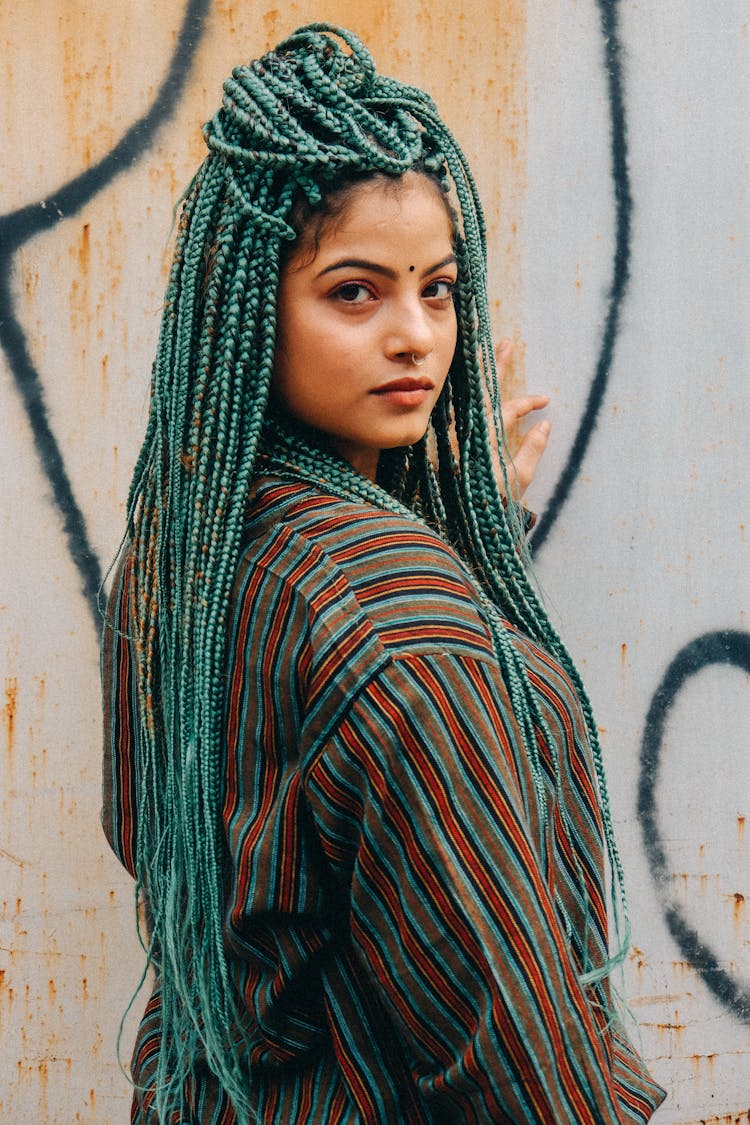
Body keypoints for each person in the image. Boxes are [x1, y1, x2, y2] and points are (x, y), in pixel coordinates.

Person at [101, 23, 666, 1123]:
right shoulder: (401, 628)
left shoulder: (187, 550)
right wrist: (428, 575)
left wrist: (462, 523)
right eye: (355, 293)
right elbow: (507, 1055)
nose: (416, 335)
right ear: (249, 300)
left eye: (440, 289)